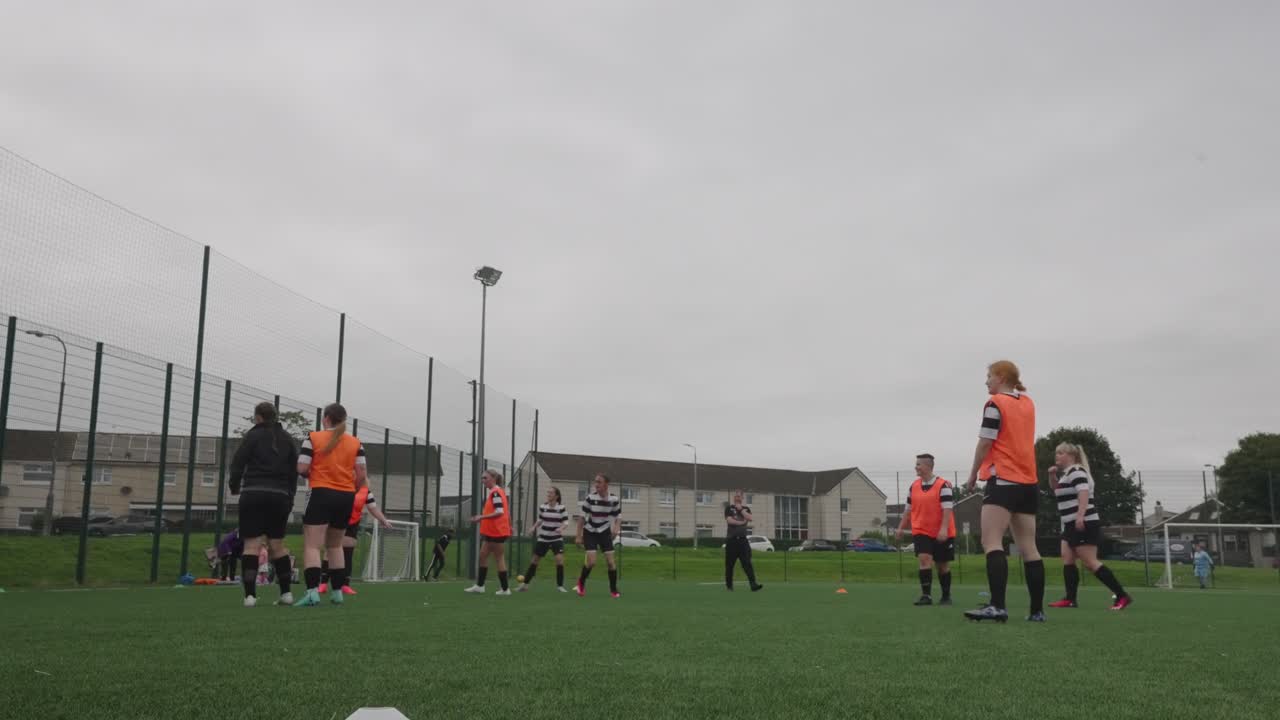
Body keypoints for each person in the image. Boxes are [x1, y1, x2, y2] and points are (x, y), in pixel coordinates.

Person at [964, 360, 1046, 623]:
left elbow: (986, 442)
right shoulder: (1027, 403)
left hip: (1003, 480)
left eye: (988, 376)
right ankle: (1037, 611)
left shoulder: (995, 403)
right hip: (1029, 483)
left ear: (1001, 377)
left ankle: (997, 606)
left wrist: (973, 473)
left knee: (991, 542)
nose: (986, 382)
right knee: (1029, 548)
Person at [229, 401, 300, 607]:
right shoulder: (287, 439)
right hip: (280, 496)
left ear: (258, 417)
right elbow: (293, 472)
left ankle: (250, 596)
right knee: (277, 544)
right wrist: (290, 496)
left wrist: (234, 486)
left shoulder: (252, 435)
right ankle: (286, 594)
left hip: (253, 493)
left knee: (251, 544)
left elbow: (238, 463)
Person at [295, 402, 366, 607]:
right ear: (344, 420)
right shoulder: (356, 443)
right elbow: (361, 474)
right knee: (335, 546)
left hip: (321, 493)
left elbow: (301, 467)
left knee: (312, 545)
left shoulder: (313, 437)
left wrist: (313, 474)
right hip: (346, 496)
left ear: (326, 418)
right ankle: (337, 593)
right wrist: (348, 487)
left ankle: (311, 593)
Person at [1046, 443, 1134, 610]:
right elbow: (1056, 490)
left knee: (1090, 562)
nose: (1057, 456)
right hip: (1069, 524)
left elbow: (1083, 493)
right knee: (1067, 558)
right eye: (1056, 453)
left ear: (1072, 456)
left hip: (1084, 522)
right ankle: (1070, 599)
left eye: (1061, 453)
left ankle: (1122, 596)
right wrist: (1052, 476)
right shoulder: (1066, 475)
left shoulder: (1077, 471)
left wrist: (1080, 516)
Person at [896, 453, 955, 606]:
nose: (916, 467)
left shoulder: (944, 485)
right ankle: (926, 596)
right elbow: (908, 509)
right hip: (921, 530)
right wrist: (901, 528)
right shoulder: (913, 486)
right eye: (916, 465)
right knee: (924, 559)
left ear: (927, 466)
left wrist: (943, 529)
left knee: (942, 565)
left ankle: (946, 595)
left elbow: (947, 509)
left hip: (942, 532)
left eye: (918, 465)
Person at [319, 484, 393, 595]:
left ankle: (345, 585)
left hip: (352, 523)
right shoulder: (339, 484)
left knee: (348, 550)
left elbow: (373, 507)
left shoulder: (365, 491)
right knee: (331, 549)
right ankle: (323, 584)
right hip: (335, 520)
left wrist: (383, 520)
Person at [464, 469, 513, 595]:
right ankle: (480, 586)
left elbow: (499, 512)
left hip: (497, 531)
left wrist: (481, 517)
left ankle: (505, 589)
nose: (483, 481)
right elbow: (505, 512)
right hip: (494, 531)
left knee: (498, 558)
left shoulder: (496, 492)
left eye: (485, 478)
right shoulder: (496, 492)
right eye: (482, 478)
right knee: (483, 555)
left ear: (493, 478)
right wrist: (509, 525)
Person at [574, 473, 622, 598]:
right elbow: (581, 518)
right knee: (592, 562)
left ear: (606, 484)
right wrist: (578, 536)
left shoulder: (614, 499)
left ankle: (613, 589)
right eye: (595, 482)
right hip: (590, 531)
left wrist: (616, 528)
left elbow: (618, 517)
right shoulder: (590, 498)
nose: (596, 485)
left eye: (599, 482)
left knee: (611, 563)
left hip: (604, 531)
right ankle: (581, 583)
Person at [517, 487, 570, 593]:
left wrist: (561, 528)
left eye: (551, 493)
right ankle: (524, 585)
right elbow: (540, 520)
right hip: (543, 538)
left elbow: (566, 522)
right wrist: (533, 527)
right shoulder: (543, 507)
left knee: (559, 561)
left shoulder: (561, 508)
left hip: (556, 539)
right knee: (534, 560)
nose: (548, 494)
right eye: (548, 492)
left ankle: (560, 586)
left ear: (556, 496)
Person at [724, 490, 763, 592]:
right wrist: (741, 522)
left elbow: (749, 518)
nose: (737, 498)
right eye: (735, 496)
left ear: (742, 498)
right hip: (731, 541)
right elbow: (729, 520)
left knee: (747, 563)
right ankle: (729, 586)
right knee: (729, 565)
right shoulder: (729, 508)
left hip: (743, 541)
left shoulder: (746, 509)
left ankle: (753, 585)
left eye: (739, 496)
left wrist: (741, 510)